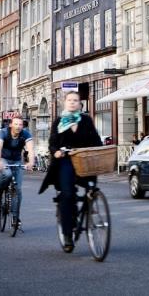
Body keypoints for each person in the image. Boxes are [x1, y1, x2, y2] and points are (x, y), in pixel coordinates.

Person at [38, 91, 103, 252]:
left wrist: (98, 149)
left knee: (91, 188)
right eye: (70, 100)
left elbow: (96, 140)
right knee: (67, 195)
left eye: (76, 100)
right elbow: (52, 142)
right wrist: (56, 152)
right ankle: (68, 234)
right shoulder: (59, 121)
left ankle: (89, 208)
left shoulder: (86, 120)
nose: (73, 103)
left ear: (80, 104)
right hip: (66, 160)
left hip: (84, 160)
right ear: (65, 103)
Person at [0, 117, 34, 223]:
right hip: (4, 159)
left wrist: (31, 163)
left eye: (20, 124)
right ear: (11, 125)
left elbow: (31, 149)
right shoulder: (3, 132)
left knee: (17, 190)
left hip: (17, 161)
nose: (18, 126)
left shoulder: (25, 134)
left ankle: (15, 217)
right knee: (7, 174)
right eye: (16, 124)